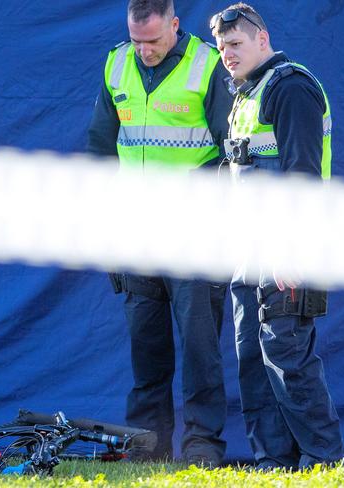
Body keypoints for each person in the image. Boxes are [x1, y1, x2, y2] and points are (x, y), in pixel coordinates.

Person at [87, 0, 233, 465]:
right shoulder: (115, 64)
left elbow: (233, 152)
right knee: (146, 350)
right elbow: (100, 148)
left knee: (199, 350)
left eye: (153, 41)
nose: (144, 51)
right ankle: (146, 451)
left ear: (175, 24)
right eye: (137, 41)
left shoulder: (207, 66)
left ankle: (202, 449)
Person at [210, 3, 344, 469]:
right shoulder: (246, 94)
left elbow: (302, 175)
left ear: (262, 40)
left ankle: (325, 461)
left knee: (288, 358)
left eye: (236, 44)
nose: (227, 53)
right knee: (253, 360)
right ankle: (273, 464)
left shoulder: (290, 88)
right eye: (222, 46)